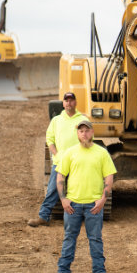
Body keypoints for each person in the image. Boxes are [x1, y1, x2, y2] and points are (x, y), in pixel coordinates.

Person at [52, 120, 116, 273]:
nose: (84, 134)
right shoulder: (70, 153)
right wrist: (63, 199)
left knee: (95, 239)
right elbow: (60, 176)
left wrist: (103, 199)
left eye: (87, 131)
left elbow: (109, 176)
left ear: (92, 132)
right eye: (81, 131)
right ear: (77, 134)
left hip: (93, 206)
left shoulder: (102, 153)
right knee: (69, 239)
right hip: (72, 205)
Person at [28, 92, 90, 227]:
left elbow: (88, 139)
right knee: (53, 189)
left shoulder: (83, 120)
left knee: (81, 189)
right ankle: (44, 216)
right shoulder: (56, 120)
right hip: (60, 162)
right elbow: (49, 139)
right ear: (63, 103)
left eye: (71, 100)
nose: (69, 103)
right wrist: (56, 154)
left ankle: (82, 217)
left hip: (78, 162)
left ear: (76, 102)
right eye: (66, 100)